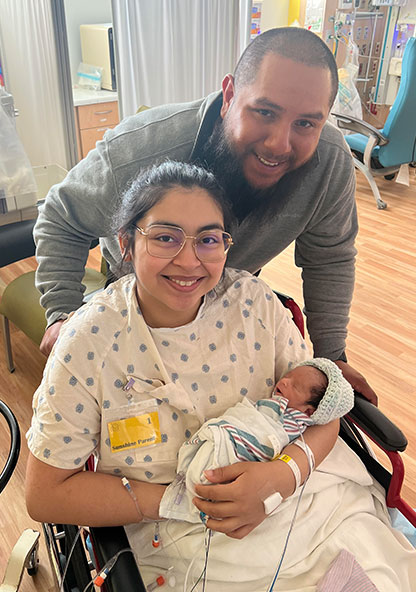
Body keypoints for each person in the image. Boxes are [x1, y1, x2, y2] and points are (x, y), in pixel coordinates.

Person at [26, 162, 416, 592]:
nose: (189, 260)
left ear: (227, 245)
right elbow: (45, 494)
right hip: (182, 533)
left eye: (209, 239)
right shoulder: (89, 342)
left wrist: (281, 477)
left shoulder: (255, 305)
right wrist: (185, 501)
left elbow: (325, 413)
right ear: (126, 242)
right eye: (165, 237)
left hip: (307, 498)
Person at [33, 26, 377, 405]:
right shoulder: (138, 152)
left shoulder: (328, 163)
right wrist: (62, 312)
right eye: (264, 111)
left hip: (229, 306)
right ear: (229, 95)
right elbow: (61, 217)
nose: (280, 143)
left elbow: (330, 258)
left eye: (306, 124)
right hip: (138, 303)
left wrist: (331, 356)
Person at [159, 357, 355, 523]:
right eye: (287, 377)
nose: (285, 381)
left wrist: (286, 474)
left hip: (256, 464)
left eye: (294, 385)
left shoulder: (299, 418)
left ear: (309, 412)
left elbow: (327, 421)